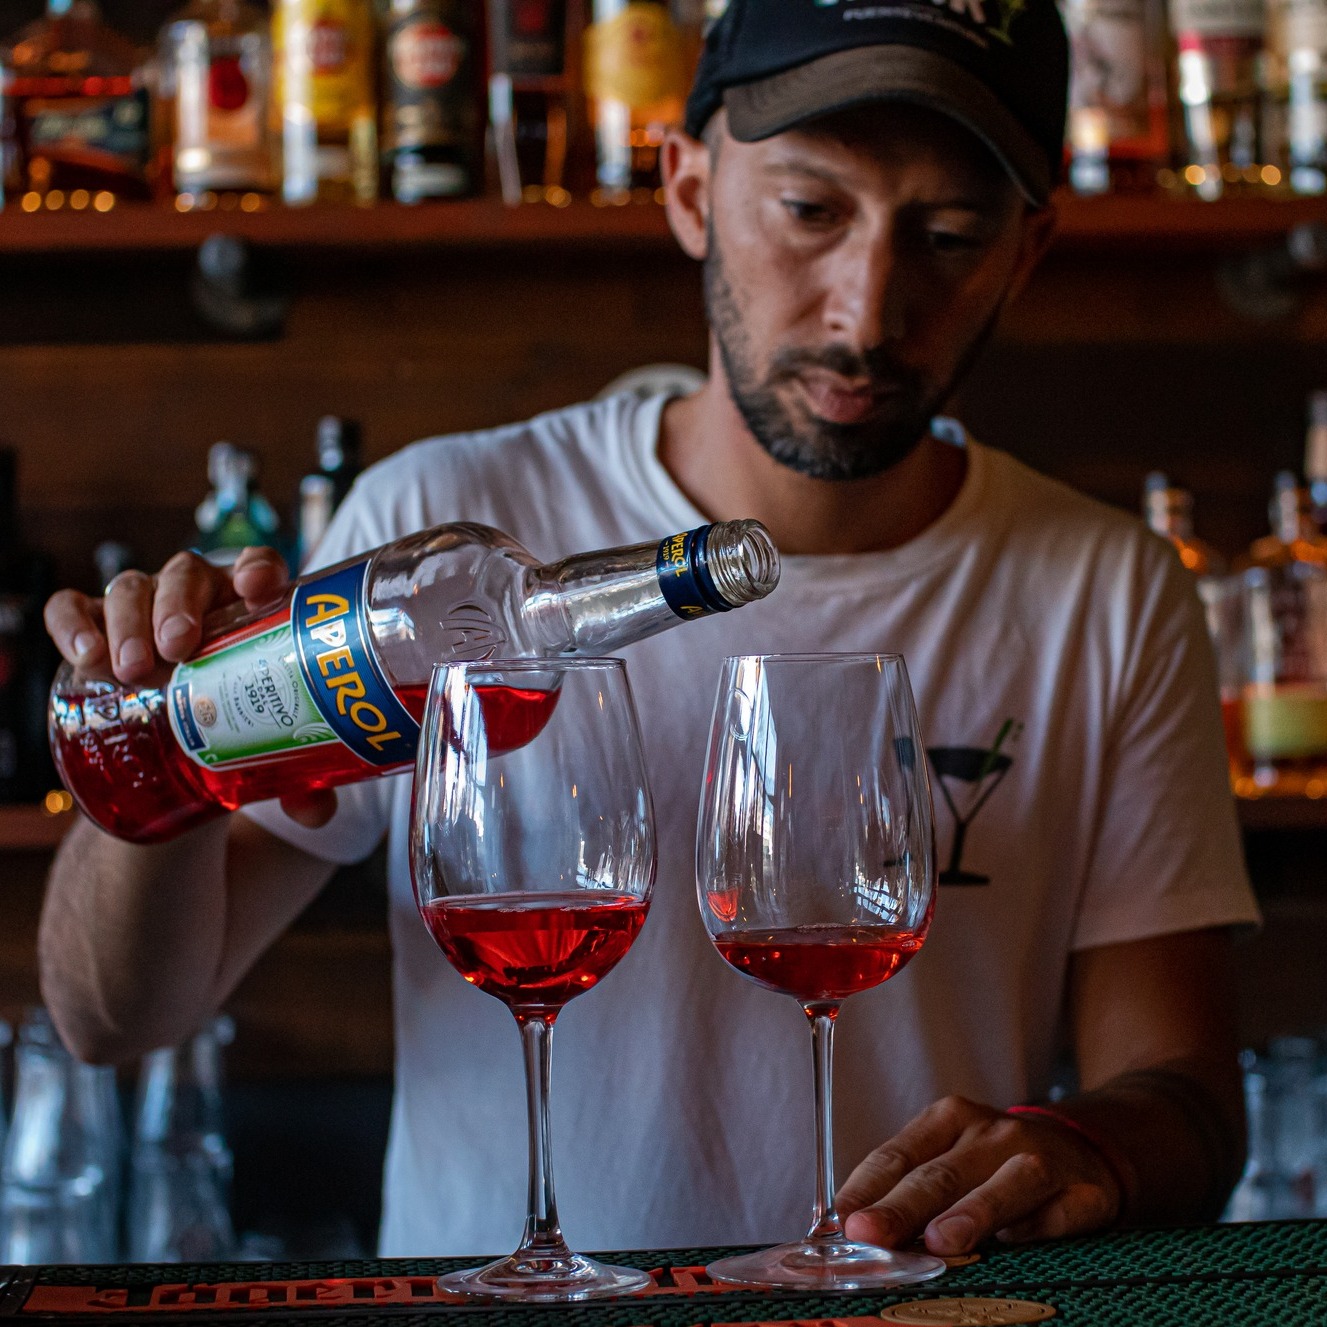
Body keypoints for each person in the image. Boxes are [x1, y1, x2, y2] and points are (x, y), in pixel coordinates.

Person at [41, 0, 1258, 1260]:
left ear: (1029, 249)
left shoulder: (1110, 591)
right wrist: (156, 764)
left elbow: (1185, 1099)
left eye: (947, 234)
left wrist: (1089, 1148)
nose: (865, 306)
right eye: (808, 210)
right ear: (686, 190)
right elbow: (108, 1018)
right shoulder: (432, 532)